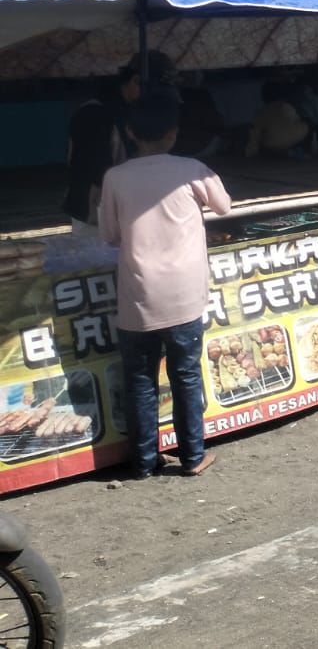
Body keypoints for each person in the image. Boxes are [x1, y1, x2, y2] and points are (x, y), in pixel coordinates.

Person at [98, 90, 231, 479]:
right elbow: (224, 205)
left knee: (140, 379)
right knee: (186, 375)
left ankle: (143, 462)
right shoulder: (192, 169)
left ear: (129, 132)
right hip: (185, 296)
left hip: (138, 299)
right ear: (173, 133)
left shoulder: (115, 177)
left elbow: (107, 234)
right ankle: (192, 456)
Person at [63, 52, 177, 231]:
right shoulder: (93, 114)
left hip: (128, 209)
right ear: (135, 81)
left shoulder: (133, 110)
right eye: (154, 92)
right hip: (94, 214)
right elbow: (97, 172)